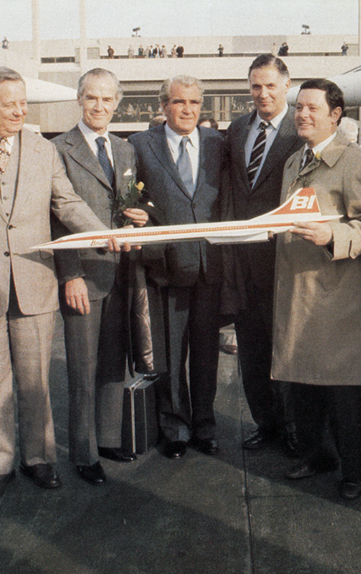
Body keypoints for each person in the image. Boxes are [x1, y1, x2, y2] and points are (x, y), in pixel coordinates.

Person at [0, 67, 110, 502]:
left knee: (35, 380)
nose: (20, 110)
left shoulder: (42, 150)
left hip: (35, 280)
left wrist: (102, 234)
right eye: (9, 103)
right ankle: (0, 465)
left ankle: (40, 459)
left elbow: (66, 202)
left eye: (23, 102)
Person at [274, 79, 361, 500]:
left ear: (336, 114)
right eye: (298, 108)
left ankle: (353, 471)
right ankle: (317, 454)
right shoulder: (292, 162)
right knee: (303, 383)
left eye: (311, 109)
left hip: (337, 296)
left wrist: (332, 235)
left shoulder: (356, 163)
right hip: (297, 292)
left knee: (344, 392)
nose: (302, 115)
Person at [51, 68, 149, 484]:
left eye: (108, 100)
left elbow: (128, 204)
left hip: (121, 272)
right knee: (82, 368)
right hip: (84, 275)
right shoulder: (57, 148)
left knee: (113, 361)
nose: (100, 106)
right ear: (79, 99)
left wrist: (142, 218)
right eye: (92, 98)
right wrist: (69, 275)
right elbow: (54, 219)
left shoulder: (125, 150)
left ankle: (108, 438)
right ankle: (84, 452)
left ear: (117, 103)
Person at [129, 76, 223, 460]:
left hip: (210, 265)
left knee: (205, 353)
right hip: (166, 267)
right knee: (169, 353)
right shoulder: (139, 145)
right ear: (163, 106)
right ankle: (174, 427)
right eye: (179, 102)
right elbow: (130, 193)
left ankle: (204, 424)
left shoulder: (219, 144)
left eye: (195, 103)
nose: (187, 110)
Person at [220, 55, 303, 455]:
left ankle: (293, 429)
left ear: (287, 85)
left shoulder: (300, 129)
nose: (263, 94)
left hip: (284, 260)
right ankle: (265, 423)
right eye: (255, 86)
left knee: (285, 348)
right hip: (244, 262)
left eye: (270, 85)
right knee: (251, 350)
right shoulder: (237, 130)